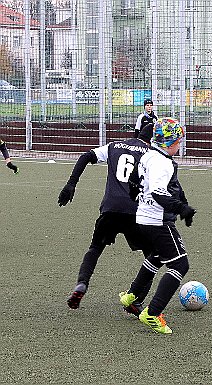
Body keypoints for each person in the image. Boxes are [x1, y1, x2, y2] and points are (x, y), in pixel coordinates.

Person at [58, 124, 155, 314]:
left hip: (110, 210)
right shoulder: (152, 154)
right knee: (153, 256)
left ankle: (82, 284)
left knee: (95, 248)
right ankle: (135, 300)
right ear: (152, 140)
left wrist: (71, 185)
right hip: (135, 212)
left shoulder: (114, 146)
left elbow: (85, 156)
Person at [118, 117, 196, 334]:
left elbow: (134, 181)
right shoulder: (163, 163)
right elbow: (159, 192)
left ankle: (131, 295)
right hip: (157, 221)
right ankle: (153, 313)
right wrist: (182, 209)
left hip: (143, 218)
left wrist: (138, 197)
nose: (180, 145)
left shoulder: (148, 155)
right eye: (179, 141)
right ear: (170, 143)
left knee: (157, 255)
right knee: (180, 265)